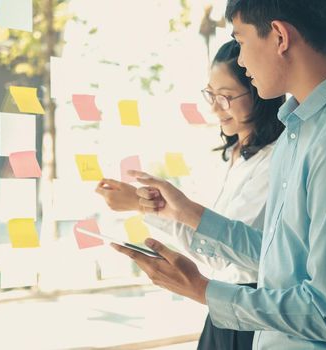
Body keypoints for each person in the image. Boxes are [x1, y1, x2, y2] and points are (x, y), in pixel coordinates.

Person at [111, 0, 326, 349]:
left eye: (242, 39)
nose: (241, 60)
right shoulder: (301, 130)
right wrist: (186, 212)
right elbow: (279, 258)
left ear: (279, 36)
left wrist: (202, 290)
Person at [96, 40, 285, 349]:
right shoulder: (234, 156)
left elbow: (249, 254)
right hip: (224, 310)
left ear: (259, 93)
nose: (214, 107)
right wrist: (144, 204)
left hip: (253, 311)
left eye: (225, 97)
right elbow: (211, 247)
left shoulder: (279, 159)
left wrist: (166, 212)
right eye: (211, 94)